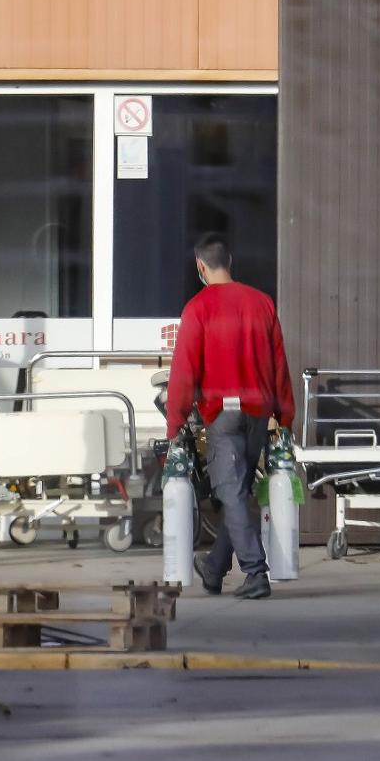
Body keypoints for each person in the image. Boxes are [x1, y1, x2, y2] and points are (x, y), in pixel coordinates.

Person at [166, 232, 295, 600]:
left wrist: (175, 423)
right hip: (258, 413)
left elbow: (184, 372)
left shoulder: (198, 308)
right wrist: (285, 417)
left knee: (231, 491)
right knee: (236, 490)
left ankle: (256, 572)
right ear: (230, 262)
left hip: (222, 415)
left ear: (200, 266)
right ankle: (214, 568)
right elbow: (279, 365)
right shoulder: (262, 303)